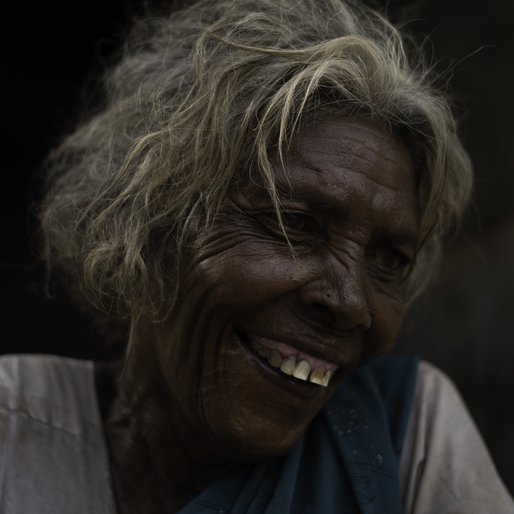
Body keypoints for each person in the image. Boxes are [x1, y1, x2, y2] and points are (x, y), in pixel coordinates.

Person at [0, 0, 512, 512]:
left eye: (389, 260)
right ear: (154, 218)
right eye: (295, 224)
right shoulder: (13, 430)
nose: (351, 302)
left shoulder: (411, 441)